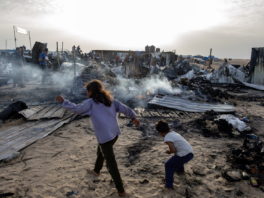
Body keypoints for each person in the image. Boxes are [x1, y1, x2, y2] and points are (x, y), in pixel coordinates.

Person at [55, 80, 140, 197]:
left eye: (87, 91)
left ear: (91, 92)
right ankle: (96, 171)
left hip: (105, 136)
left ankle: (121, 191)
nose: (86, 93)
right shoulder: (110, 100)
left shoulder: (90, 103)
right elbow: (125, 108)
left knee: (111, 164)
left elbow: (77, 109)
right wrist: (133, 117)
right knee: (101, 150)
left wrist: (64, 101)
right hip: (114, 134)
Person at [156, 120, 193, 189]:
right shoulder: (173, 133)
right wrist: (172, 151)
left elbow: (173, 150)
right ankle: (180, 171)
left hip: (185, 154)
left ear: (160, 132)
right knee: (177, 158)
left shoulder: (167, 138)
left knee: (168, 165)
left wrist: (169, 152)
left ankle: (168, 185)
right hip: (190, 152)